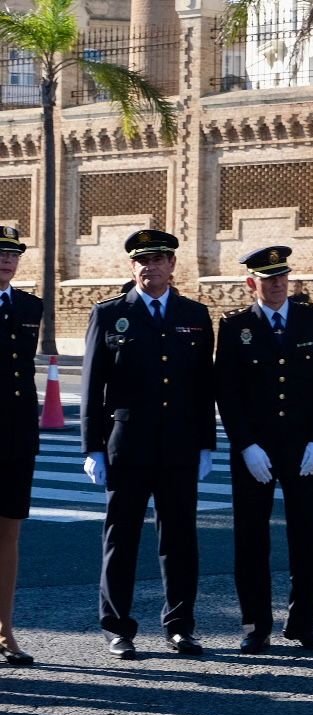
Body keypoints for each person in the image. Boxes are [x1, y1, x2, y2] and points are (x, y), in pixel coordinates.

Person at [81, 229, 216, 660]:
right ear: (132, 266)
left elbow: (203, 387)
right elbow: (92, 386)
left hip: (178, 446)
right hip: (128, 444)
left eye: (158, 259)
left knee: (179, 539)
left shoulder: (195, 315)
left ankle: (180, 627)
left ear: (173, 265)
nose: (150, 267)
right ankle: (117, 628)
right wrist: (93, 447)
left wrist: (206, 445)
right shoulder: (109, 314)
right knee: (121, 539)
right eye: (142, 260)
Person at [215, 246, 313, 655]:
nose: (278, 284)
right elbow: (227, 393)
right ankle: (256, 625)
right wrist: (245, 444)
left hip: (304, 448)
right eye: (268, 279)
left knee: (309, 538)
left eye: (282, 276)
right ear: (253, 284)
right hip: (257, 450)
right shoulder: (235, 327)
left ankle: (304, 624)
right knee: (251, 539)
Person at [0, 227, 40, 666]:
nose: (6, 260)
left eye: (12, 254)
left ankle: (5, 628)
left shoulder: (30, 307)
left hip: (16, 436)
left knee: (9, 533)